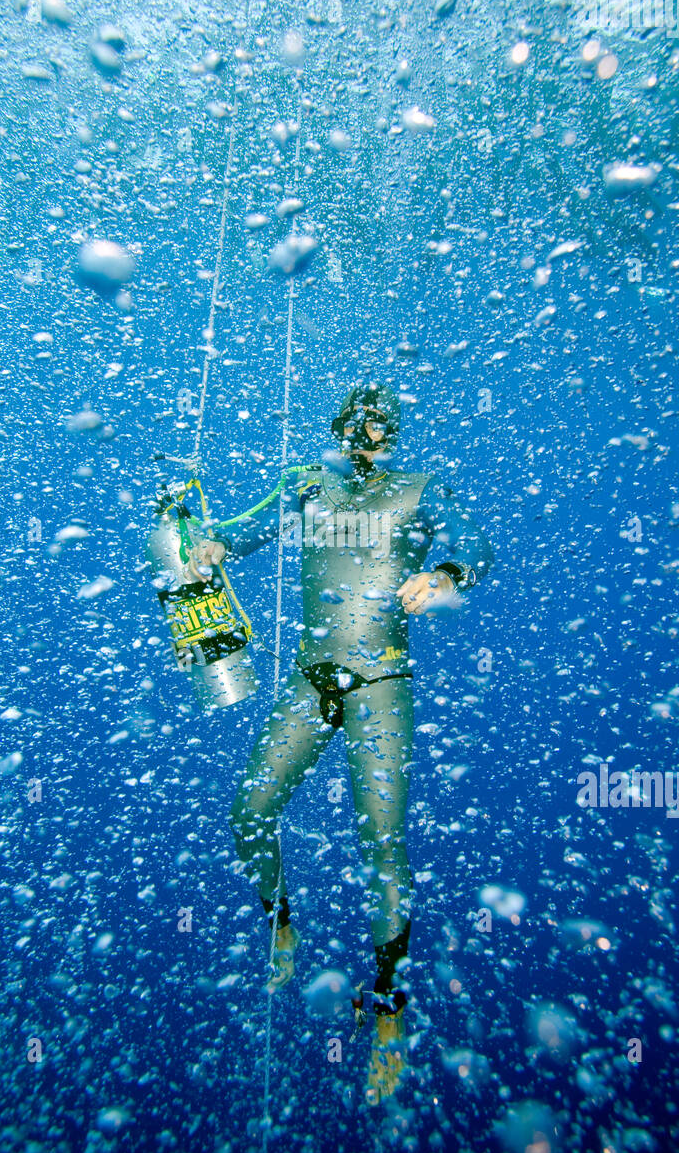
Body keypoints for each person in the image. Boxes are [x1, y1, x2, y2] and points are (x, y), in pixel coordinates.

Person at [187, 382, 494, 1104]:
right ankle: (280, 924)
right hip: (309, 677)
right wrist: (210, 544)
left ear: (394, 435)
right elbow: (245, 527)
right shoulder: (305, 484)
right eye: (354, 429)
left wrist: (448, 573)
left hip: (382, 682)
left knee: (383, 846)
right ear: (335, 433)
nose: (365, 440)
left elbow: (478, 543)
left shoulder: (424, 490)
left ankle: (387, 1005)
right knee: (250, 808)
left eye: (378, 429)